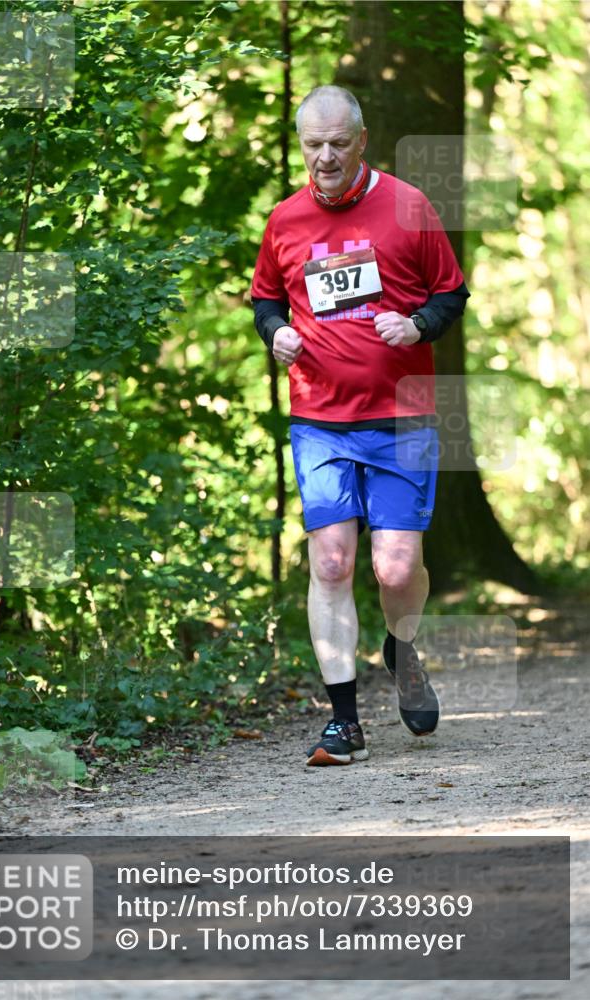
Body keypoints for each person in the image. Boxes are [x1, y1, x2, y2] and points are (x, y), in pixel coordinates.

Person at [251, 85, 470, 766]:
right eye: (312, 144)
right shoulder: (284, 221)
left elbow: (450, 291)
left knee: (396, 567)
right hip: (318, 418)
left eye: (336, 143)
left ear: (361, 140)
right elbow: (264, 298)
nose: (323, 157)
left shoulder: (408, 205)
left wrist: (416, 324)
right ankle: (342, 721)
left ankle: (402, 645)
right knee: (332, 559)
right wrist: (275, 333)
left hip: (401, 417)